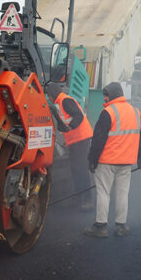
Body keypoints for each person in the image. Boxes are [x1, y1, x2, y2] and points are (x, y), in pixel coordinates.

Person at [85, 82, 141, 238]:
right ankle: (121, 226)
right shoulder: (135, 112)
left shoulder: (108, 112)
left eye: (106, 95)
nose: (104, 98)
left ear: (112, 95)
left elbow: (98, 139)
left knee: (103, 193)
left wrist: (92, 159)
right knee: (122, 193)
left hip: (106, 161)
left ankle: (100, 226)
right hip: (126, 162)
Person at [45, 83, 94, 211]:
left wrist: (70, 126)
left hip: (81, 139)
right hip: (76, 140)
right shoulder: (61, 102)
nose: (49, 98)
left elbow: (78, 115)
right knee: (75, 169)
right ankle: (79, 197)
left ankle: (87, 199)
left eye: (49, 96)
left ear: (53, 94)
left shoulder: (65, 101)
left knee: (81, 169)